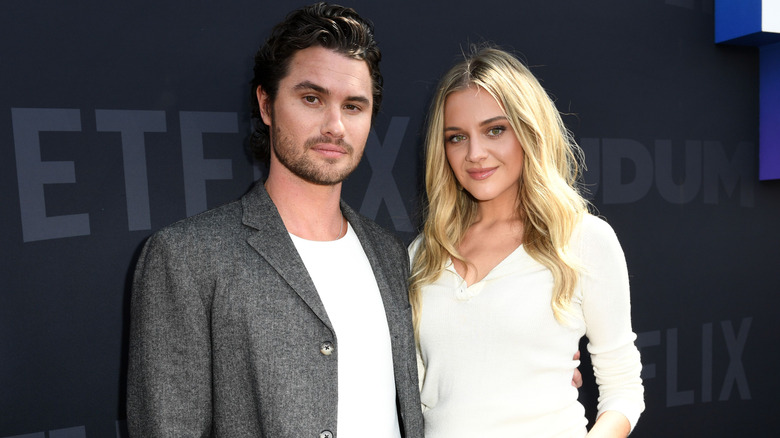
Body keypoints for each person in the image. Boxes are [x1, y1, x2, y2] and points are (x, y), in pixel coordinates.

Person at [126, 3, 423, 437]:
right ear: (266, 104)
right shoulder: (187, 257)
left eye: (354, 106)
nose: (335, 126)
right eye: (311, 98)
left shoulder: (391, 254)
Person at [408, 47, 645, 437]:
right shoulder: (424, 253)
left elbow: (623, 387)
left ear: (529, 132)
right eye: (456, 137)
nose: (475, 154)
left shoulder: (582, 240)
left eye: (495, 130)